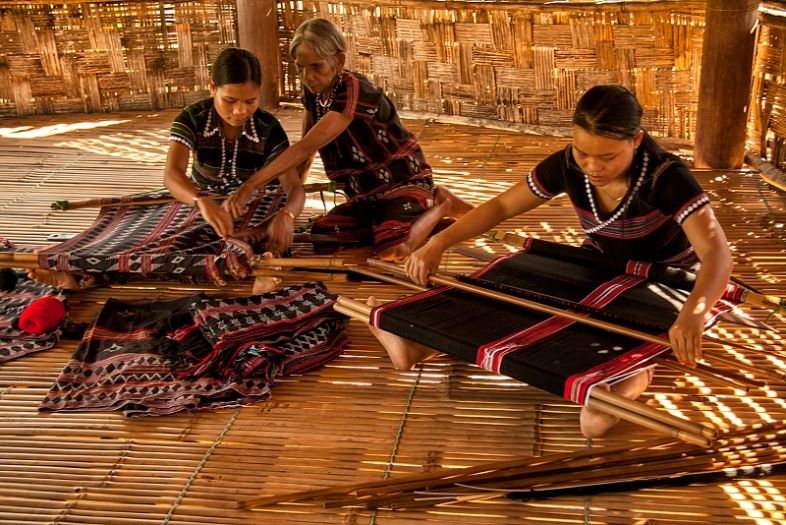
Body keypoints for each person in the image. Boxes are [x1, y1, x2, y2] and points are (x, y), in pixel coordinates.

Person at [370, 85, 734, 439]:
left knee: (624, 341)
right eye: (582, 152)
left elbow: (717, 252)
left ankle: (622, 382)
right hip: (599, 265)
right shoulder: (567, 166)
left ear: (636, 140)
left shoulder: (665, 178)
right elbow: (500, 207)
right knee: (525, 296)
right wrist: (438, 242)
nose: (592, 166)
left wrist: (692, 314)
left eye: (607, 157)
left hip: (663, 279)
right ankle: (418, 344)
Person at [29, 47, 304, 293]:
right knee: (157, 237)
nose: (240, 110)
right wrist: (202, 201)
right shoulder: (193, 118)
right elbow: (172, 175)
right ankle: (77, 274)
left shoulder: (268, 128)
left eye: (250, 101)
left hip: (255, 205)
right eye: (230, 100)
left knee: (260, 237)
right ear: (212, 88)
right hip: (198, 201)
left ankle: (262, 267)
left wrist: (288, 214)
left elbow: (294, 188)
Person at [223, 18, 472, 261]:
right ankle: (413, 218)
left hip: (401, 182)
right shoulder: (314, 94)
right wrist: (287, 210)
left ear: (338, 61)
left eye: (316, 66)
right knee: (326, 235)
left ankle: (441, 204)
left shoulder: (353, 90)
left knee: (392, 249)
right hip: (364, 194)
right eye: (301, 67)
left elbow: (307, 146)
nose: (307, 76)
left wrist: (250, 186)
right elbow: (306, 156)